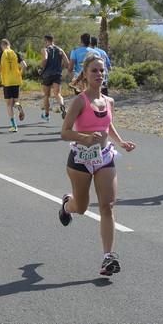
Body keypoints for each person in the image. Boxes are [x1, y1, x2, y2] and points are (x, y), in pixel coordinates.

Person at [58, 54, 136, 276]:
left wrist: (120, 142)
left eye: (102, 71)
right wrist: (84, 137)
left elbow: (107, 126)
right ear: (85, 74)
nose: (99, 74)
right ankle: (66, 205)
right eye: (94, 70)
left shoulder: (109, 101)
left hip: (104, 157)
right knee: (81, 208)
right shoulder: (80, 101)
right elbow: (64, 132)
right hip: (80, 159)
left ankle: (107, 257)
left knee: (107, 205)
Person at [0, 39, 26, 132]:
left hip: (7, 81)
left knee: (8, 104)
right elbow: (24, 65)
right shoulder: (16, 53)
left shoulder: (0, 55)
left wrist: (0, 71)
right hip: (16, 80)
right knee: (16, 100)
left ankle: (14, 126)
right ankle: (19, 107)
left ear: (1, 46)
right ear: (9, 45)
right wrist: (20, 73)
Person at [39, 34, 69, 121]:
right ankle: (62, 106)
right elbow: (67, 63)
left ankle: (47, 115)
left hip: (47, 75)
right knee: (57, 94)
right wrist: (60, 67)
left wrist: (41, 68)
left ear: (46, 41)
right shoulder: (60, 50)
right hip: (57, 74)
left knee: (46, 95)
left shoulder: (45, 49)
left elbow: (45, 59)